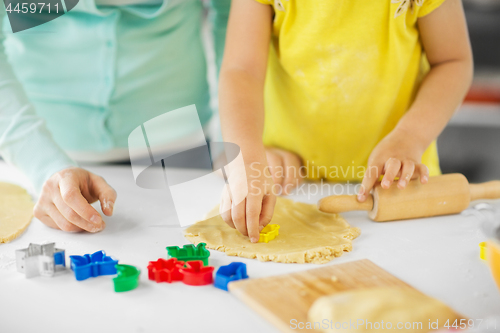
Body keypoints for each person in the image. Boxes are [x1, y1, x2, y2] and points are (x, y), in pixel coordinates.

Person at [218, 0, 473, 242]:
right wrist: (247, 157)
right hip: (288, 181)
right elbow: (242, 70)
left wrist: (410, 137)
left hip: (398, 187)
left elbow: (452, 61)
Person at [0, 0, 230, 232]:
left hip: (180, 148)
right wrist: (44, 165)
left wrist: (230, 142)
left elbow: (230, 19)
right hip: (31, 148)